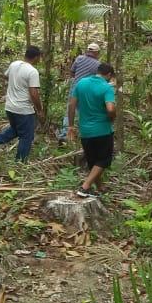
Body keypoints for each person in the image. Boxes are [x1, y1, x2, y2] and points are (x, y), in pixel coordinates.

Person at [67, 62, 116, 198]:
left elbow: (72, 104)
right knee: (104, 160)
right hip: (102, 130)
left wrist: (71, 126)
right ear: (109, 75)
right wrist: (112, 117)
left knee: (93, 161)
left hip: (85, 130)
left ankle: (100, 186)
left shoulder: (81, 83)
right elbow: (111, 108)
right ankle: (85, 187)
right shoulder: (106, 87)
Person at [0, 45, 43, 160]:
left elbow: (6, 76)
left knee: (16, 129)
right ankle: (20, 161)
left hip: (10, 107)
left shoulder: (14, 64)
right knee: (26, 136)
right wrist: (40, 109)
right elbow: (34, 93)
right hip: (24, 110)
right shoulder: (33, 72)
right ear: (36, 57)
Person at [58, 42, 102, 146]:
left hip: (75, 87)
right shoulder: (98, 64)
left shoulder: (79, 58)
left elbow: (72, 72)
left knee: (70, 111)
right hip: (87, 90)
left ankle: (65, 136)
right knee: (85, 112)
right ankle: (85, 136)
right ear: (96, 52)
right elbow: (98, 79)